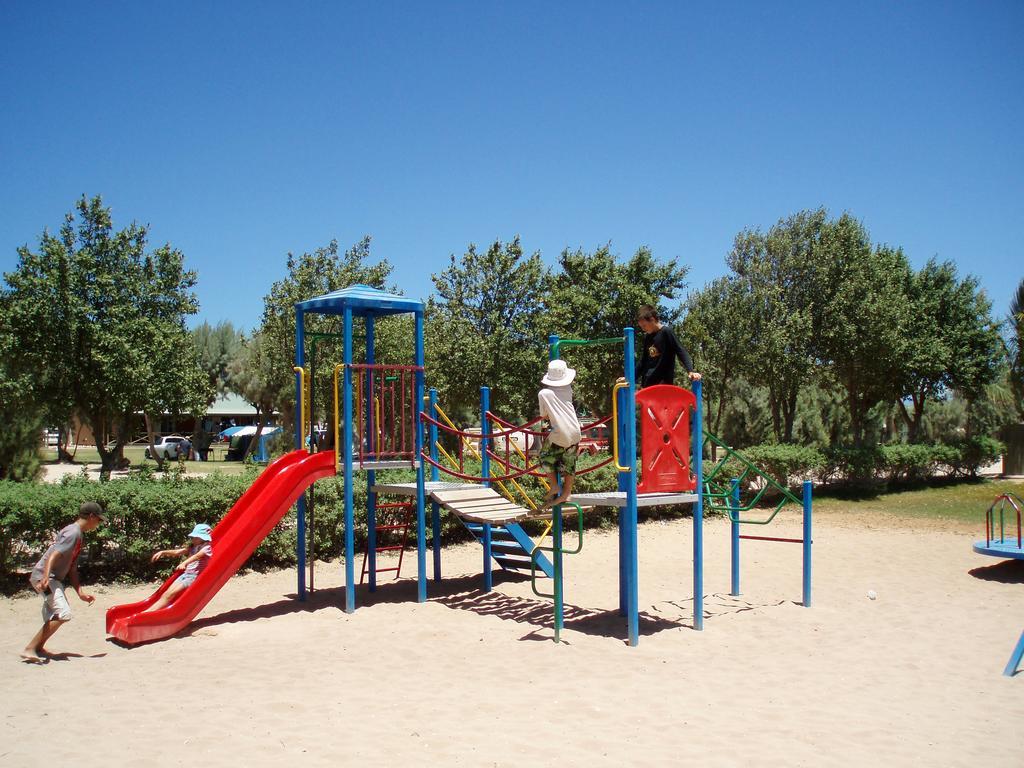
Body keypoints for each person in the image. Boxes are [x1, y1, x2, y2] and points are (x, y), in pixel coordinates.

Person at [21, 501, 106, 663]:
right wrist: (45, 577)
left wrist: (79, 592)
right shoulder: (73, 533)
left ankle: (38, 647)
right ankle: (30, 648)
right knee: (63, 613)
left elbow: (72, 567)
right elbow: (54, 555)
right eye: (98, 520)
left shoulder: (77, 534)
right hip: (46, 577)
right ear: (91, 516)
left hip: (52, 578)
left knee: (54, 614)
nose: (99, 523)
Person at [537, 359, 582, 509]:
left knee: (544, 456)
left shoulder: (544, 393)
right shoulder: (568, 388)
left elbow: (544, 415)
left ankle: (555, 486)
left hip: (560, 432)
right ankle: (566, 493)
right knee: (569, 461)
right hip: (575, 430)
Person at [629, 304, 702, 388]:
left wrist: (690, 371)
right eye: (641, 327)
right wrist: (629, 378)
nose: (643, 329)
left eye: (644, 325)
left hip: (663, 384)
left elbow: (681, 351)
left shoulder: (666, 332)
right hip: (647, 384)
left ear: (652, 320)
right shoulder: (648, 337)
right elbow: (643, 361)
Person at [145, 523, 214, 612]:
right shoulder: (193, 547)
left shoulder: (206, 548)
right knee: (167, 593)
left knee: (171, 594)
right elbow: (178, 552)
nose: (193, 539)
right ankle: (149, 612)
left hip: (193, 577)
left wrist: (184, 563)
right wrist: (163, 552)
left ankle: (148, 613)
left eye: (196, 537)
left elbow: (197, 556)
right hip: (185, 575)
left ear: (203, 538)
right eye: (193, 537)